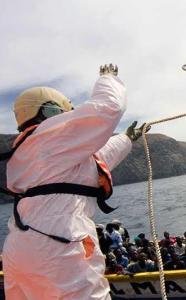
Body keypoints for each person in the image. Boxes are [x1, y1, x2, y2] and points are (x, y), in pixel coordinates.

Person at [2, 64, 148, 300]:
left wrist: (126, 139)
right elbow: (109, 107)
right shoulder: (52, 134)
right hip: (60, 243)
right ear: (51, 111)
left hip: (19, 250)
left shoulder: (27, 152)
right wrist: (108, 78)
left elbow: (89, 166)